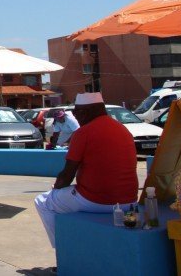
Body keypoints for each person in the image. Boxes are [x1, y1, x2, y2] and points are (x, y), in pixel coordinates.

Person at [34, 92, 138, 249]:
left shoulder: (83, 133)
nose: (75, 116)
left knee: (43, 202)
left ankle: (62, 252)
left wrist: (56, 189)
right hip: (129, 201)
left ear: (87, 112)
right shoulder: (123, 130)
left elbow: (67, 175)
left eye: (77, 112)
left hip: (95, 201)